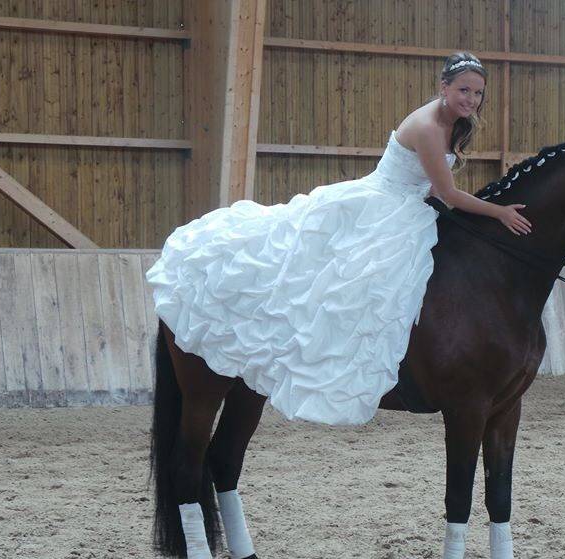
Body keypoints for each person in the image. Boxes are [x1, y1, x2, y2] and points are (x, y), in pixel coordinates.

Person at [146, 52, 531, 426]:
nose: (471, 99)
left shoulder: (455, 123)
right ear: (443, 87)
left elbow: (434, 191)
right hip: (382, 205)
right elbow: (448, 194)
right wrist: (500, 212)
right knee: (350, 284)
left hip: (411, 207)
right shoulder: (430, 127)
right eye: (464, 90)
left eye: (477, 93)